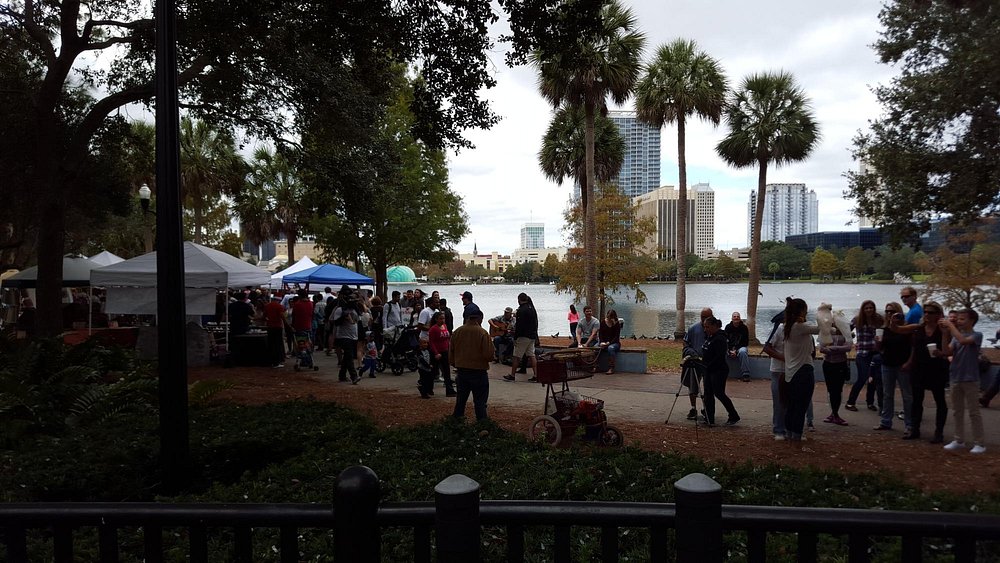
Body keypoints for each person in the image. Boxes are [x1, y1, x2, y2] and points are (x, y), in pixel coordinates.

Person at [898, 301, 949, 442]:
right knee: (916, 400)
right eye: (925, 312)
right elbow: (914, 346)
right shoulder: (919, 329)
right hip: (918, 367)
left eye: (930, 313)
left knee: (940, 400)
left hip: (937, 368)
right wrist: (909, 362)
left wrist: (944, 339)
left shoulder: (943, 329)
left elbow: (947, 351)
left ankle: (939, 432)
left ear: (938, 315)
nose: (927, 315)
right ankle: (915, 429)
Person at [941, 309, 986, 454]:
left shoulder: (977, 335)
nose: (958, 321)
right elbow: (947, 351)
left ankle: (979, 442)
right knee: (957, 411)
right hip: (955, 376)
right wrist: (944, 333)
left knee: (974, 412)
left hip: (971, 378)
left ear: (971, 320)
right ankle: (959, 439)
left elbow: (963, 341)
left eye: (962, 319)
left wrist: (950, 325)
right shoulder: (955, 336)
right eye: (957, 319)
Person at [782, 298, 820, 443]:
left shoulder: (788, 326)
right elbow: (820, 329)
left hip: (790, 372)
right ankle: (796, 435)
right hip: (803, 370)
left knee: (792, 404)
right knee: (801, 405)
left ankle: (790, 433)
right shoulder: (800, 326)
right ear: (802, 311)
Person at [450, 308, 494, 420]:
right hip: (479, 372)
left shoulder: (457, 332)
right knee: (480, 402)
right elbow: (488, 355)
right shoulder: (482, 333)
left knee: (460, 401)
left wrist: (456, 363)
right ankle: (482, 424)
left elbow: (451, 354)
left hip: (462, 371)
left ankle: (456, 423)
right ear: (479, 318)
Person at [876, 302, 913, 434]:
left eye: (892, 312)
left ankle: (909, 424)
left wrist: (909, 362)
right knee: (887, 394)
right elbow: (880, 349)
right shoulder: (884, 329)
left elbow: (913, 347)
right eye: (887, 312)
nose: (889, 314)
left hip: (902, 364)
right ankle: (886, 421)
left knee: (907, 395)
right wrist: (877, 342)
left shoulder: (906, 328)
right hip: (887, 363)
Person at [845, 300, 884, 412]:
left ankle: (870, 403)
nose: (869, 310)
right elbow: (846, 330)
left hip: (875, 353)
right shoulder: (857, 319)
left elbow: (885, 331)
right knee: (862, 378)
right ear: (863, 309)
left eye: (871, 307)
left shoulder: (879, 319)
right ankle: (850, 402)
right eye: (866, 308)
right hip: (862, 353)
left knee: (873, 379)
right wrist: (850, 338)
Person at [701, 316, 740, 426]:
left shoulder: (720, 338)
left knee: (719, 393)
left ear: (714, 326)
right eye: (704, 327)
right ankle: (709, 418)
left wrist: (708, 365)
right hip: (708, 369)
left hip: (718, 370)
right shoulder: (710, 336)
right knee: (708, 394)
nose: (705, 329)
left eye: (707, 327)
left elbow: (719, 356)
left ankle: (733, 415)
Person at [682, 308, 714, 420]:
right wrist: (691, 352)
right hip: (695, 362)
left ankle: (707, 409)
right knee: (693, 386)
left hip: (708, 364)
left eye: (707, 317)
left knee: (708, 387)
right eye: (702, 317)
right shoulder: (693, 328)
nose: (704, 319)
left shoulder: (714, 330)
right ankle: (693, 408)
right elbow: (685, 342)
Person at [819, 326, 851, 426]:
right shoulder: (826, 333)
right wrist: (838, 350)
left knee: (838, 390)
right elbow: (822, 349)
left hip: (840, 364)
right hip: (828, 364)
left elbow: (848, 347)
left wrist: (833, 348)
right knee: (831, 390)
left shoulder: (846, 333)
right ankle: (833, 413)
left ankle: (835, 414)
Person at [762, 316, 788, 440]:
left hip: (794, 371)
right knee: (779, 402)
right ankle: (778, 429)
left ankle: (790, 428)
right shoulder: (780, 329)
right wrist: (783, 358)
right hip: (778, 370)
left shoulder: (801, 330)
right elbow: (767, 347)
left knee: (792, 402)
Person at [504, 292, 538, 382]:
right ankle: (536, 375)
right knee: (531, 355)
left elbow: (519, 325)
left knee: (516, 356)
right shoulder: (532, 308)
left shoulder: (521, 310)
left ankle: (512, 375)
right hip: (532, 335)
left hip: (523, 336)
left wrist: (515, 337)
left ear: (519, 300)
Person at [332, 293, 360, 383]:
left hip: (353, 336)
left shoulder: (355, 309)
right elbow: (335, 322)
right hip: (343, 336)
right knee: (349, 356)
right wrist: (344, 316)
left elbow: (357, 321)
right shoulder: (340, 310)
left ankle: (342, 375)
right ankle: (354, 376)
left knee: (347, 357)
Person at [429, 311, 455, 396]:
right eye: (440, 319)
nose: (442, 320)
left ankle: (449, 389)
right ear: (436, 319)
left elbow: (447, 338)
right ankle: (428, 388)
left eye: (443, 318)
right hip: (437, 353)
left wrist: (450, 348)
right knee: (433, 372)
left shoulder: (445, 326)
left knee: (447, 371)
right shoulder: (433, 329)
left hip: (445, 351)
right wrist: (436, 353)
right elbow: (431, 342)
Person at [724, 312, 752, 382]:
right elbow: (725, 340)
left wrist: (735, 350)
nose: (736, 318)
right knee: (721, 352)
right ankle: (721, 373)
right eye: (734, 316)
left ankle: (746, 374)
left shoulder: (744, 328)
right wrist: (729, 350)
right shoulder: (728, 327)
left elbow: (745, 342)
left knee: (743, 351)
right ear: (732, 318)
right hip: (729, 348)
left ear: (740, 318)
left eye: (737, 316)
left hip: (740, 347)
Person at [263, 295, 286, 368]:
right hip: (278, 326)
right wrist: (287, 324)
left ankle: (270, 361)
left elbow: (264, 316)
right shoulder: (279, 306)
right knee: (278, 344)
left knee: (271, 344)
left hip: (270, 326)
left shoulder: (267, 306)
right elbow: (282, 316)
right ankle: (276, 362)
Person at [598, 309, 623, 374]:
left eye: (611, 317)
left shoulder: (616, 324)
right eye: (608, 317)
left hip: (614, 343)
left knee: (610, 348)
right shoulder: (603, 323)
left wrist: (609, 343)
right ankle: (595, 366)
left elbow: (616, 337)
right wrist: (601, 342)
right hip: (604, 342)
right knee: (596, 347)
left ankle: (611, 367)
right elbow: (600, 334)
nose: (609, 319)